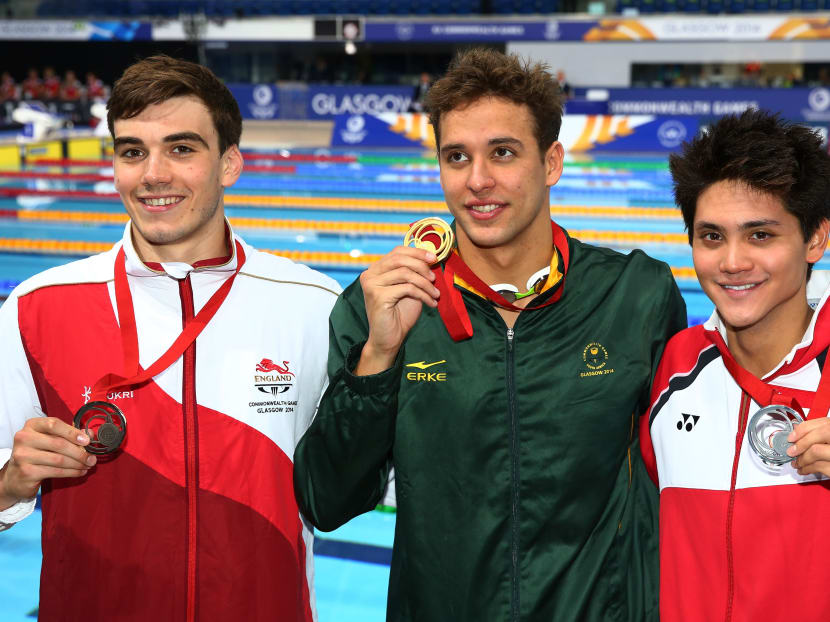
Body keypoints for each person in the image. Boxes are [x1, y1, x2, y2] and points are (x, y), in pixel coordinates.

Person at [294, 48, 686, 621]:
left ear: (551, 163)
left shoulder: (636, 296)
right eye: (457, 157)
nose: (478, 181)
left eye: (502, 153)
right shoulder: (380, 305)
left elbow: (695, 466)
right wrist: (377, 357)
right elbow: (327, 501)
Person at [0, 55, 338, 621]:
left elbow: (354, 485)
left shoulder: (313, 304)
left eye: (182, 149)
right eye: (132, 151)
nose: (153, 174)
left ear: (230, 163)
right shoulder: (38, 307)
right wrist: (13, 480)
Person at [641, 109, 830, 622]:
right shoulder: (673, 366)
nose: (732, 262)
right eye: (711, 236)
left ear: (815, 239)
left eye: (761, 235)